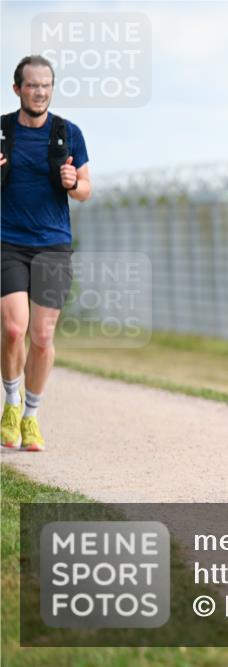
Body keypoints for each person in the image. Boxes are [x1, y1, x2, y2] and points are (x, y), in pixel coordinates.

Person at [1, 55, 91, 451]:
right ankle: (10, 403)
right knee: (14, 328)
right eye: (32, 85)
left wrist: (74, 183)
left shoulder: (68, 133)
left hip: (53, 243)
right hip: (7, 241)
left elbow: (86, 189)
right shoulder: (2, 131)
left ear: (51, 89)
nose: (39, 92)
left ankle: (31, 416)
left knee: (41, 336)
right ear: (17, 88)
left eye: (46, 85)